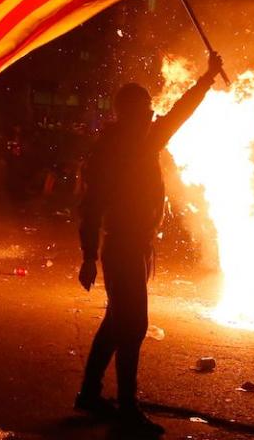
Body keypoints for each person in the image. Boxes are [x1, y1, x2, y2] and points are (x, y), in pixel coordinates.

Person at [75, 51, 223, 434]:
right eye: (143, 109)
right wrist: (89, 256)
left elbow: (179, 113)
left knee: (115, 322)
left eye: (149, 109)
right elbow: (90, 208)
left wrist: (206, 79)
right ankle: (126, 407)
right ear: (127, 112)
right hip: (122, 246)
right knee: (134, 324)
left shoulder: (142, 139)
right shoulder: (119, 149)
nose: (151, 114)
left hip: (135, 245)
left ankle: (89, 395)